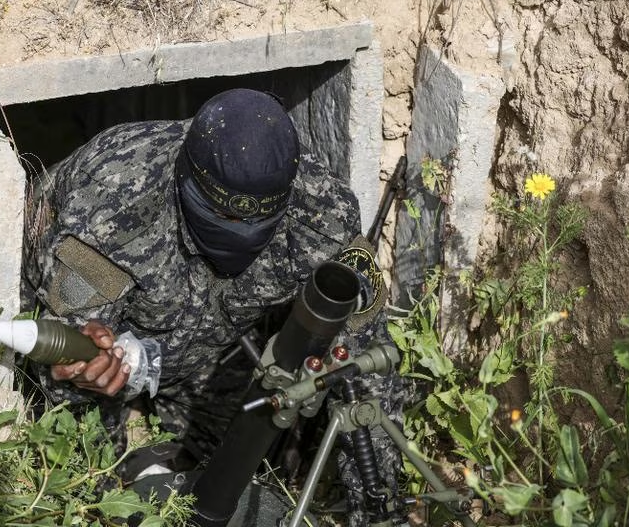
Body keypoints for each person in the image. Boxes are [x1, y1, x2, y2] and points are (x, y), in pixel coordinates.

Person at [21, 88, 403, 526]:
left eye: (256, 220)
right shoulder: (117, 197)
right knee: (88, 484)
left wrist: (378, 509)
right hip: (110, 336)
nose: (239, 231)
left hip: (208, 349)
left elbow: (368, 361)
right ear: (187, 181)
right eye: (222, 216)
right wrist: (98, 498)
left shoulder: (324, 212)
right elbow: (67, 357)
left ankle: (158, 456)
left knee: (232, 470)